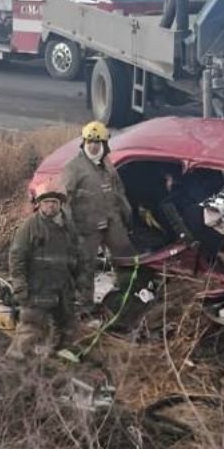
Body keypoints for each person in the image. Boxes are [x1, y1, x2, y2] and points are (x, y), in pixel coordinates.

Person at [59, 121, 136, 312]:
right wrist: (69, 229)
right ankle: (85, 307)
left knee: (126, 256)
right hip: (86, 227)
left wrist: (127, 214)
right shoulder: (73, 168)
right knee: (85, 267)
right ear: (84, 142)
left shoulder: (107, 164)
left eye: (98, 142)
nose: (93, 146)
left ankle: (126, 295)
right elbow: (64, 200)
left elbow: (119, 191)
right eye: (90, 142)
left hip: (112, 221)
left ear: (104, 144)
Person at [6, 180, 81, 361]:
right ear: (39, 203)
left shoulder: (68, 227)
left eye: (54, 202)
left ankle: (60, 363)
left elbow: (76, 255)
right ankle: (15, 366)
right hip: (38, 288)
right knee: (30, 327)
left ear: (60, 204)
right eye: (47, 202)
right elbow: (17, 258)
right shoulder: (30, 227)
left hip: (63, 288)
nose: (50, 206)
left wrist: (77, 282)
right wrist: (20, 287)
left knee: (67, 327)